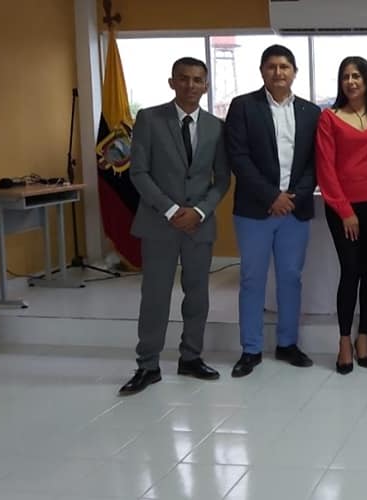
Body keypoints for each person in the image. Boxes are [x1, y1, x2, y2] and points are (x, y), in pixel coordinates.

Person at [120, 57, 230, 395]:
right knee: (155, 296)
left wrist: (199, 211)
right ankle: (147, 365)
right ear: (172, 82)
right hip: (159, 223)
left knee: (197, 295)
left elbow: (222, 179)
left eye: (197, 80)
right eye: (183, 78)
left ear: (206, 86)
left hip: (199, 224)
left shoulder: (216, 126)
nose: (190, 85)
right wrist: (169, 210)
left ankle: (191, 357)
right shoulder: (149, 119)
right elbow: (139, 172)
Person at [224, 44, 320, 378]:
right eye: (271, 66)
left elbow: (315, 161)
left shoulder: (310, 112)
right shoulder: (243, 107)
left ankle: (287, 343)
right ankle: (250, 348)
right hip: (255, 211)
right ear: (262, 71)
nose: (278, 72)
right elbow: (238, 158)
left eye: (284, 66)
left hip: (295, 210)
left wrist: (294, 196)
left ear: (294, 72)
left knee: (291, 278)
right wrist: (271, 196)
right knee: (252, 279)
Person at [316, 56, 367, 375]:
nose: (351, 81)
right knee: (350, 270)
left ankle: (364, 336)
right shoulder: (329, 118)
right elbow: (325, 168)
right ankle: (344, 341)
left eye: (357, 76)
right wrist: (345, 211)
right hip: (342, 208)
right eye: (346, 76)